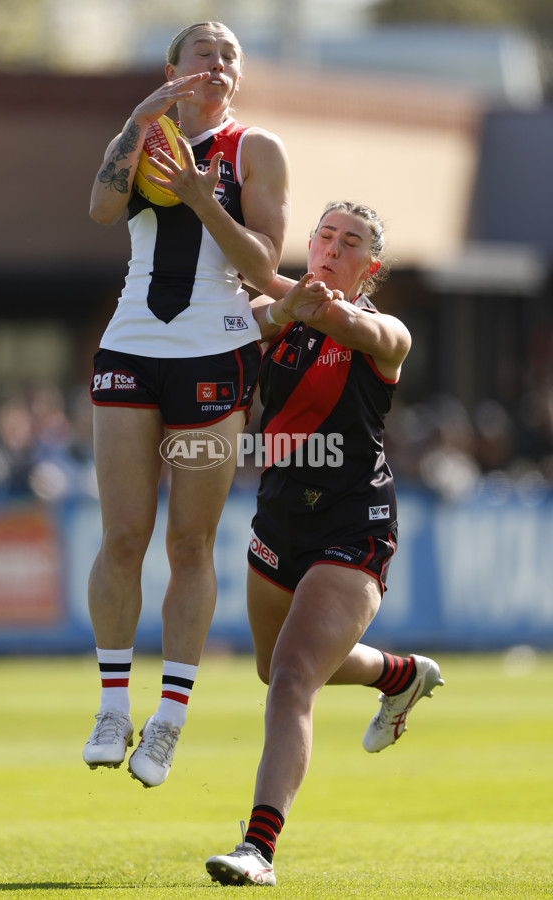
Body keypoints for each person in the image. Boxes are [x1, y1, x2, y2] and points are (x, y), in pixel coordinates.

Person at [205, 201, 444, 886]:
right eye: (326, 236)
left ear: (372, 266)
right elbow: (229, 331)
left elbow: (347, 322)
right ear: (308, 244)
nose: (334, 248)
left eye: (352, 243)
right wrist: (275, 306)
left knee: (290, 679)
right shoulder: (272, 308)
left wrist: (297, 303)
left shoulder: (382, 330)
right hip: (279, 519)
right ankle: (399, 674)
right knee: (272, 667)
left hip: (354, 523)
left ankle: (258, 849)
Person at [82, 21, 290, 788]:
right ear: (174, 67)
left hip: (215, 352)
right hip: (132, 345)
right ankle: (112, 705)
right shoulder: (142, 135)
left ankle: (168, 719)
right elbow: (103, 212)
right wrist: (139, 123)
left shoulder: (255, 149)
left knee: (191, 545)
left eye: (230, 54)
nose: (218, 62)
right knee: (124, 533)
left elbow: (266, 269)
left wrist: (205, 202)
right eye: (205, 51)